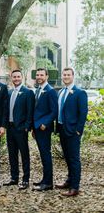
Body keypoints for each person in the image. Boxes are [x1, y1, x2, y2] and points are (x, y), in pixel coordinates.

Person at [55, 67, 88, 197]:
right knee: (67, 157)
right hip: (62, 129)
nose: (66, 77)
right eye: (64, 75)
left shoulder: (80, 93)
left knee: (74, 159)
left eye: (68, 74)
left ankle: (75, 187)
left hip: (73, 131)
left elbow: (83, 113)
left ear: (73, 76)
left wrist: (79, 131)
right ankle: (69, 181)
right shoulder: (61, 92)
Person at [4, 69, 35, 189]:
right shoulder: (9, 92)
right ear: (11, 78)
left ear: (22, 77)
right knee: (12, 154)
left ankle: (26, 179)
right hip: (10, 128)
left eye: (18, 76)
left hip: (21, 129)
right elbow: (6, 110)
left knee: (24, 154)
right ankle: (14, 177)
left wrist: (27, 127)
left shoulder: (28, 92)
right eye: (14, 77)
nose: (16, 79)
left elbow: (30, 111)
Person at [32, 68, 58, 191]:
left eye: (42, 75)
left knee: (46, 155)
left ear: (46, 76)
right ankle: (44, 179)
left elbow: (54, 111)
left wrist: (45, 124)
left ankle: (48, 183)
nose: (39, 77)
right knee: (43, 155)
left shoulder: (50, 91)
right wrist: (34, 127)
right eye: (37, 75)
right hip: (37, 128)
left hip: (44, 128)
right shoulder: (38, 89)